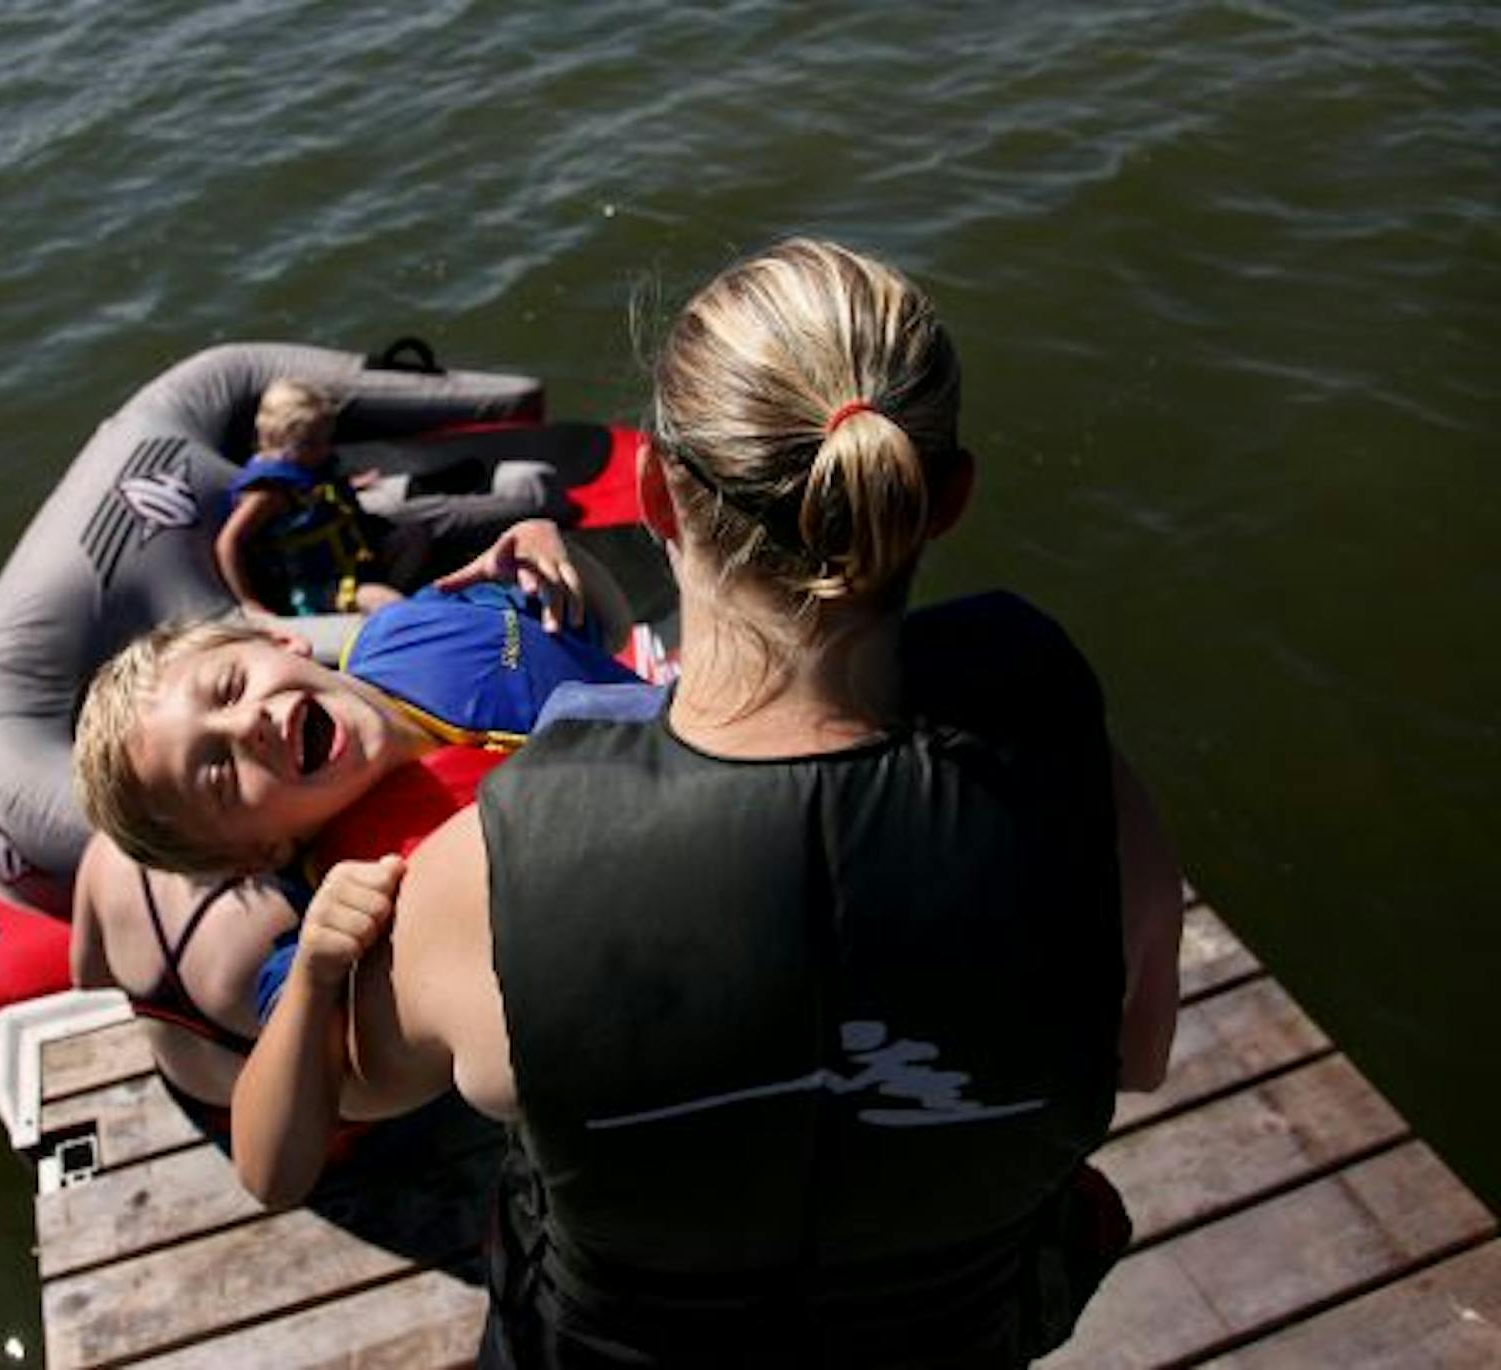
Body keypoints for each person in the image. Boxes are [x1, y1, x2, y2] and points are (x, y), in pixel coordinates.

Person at [233, 238, 1185, 1367]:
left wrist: (326, 954)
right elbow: (1132, 1059)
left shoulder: (487, 876)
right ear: (948, 499)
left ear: (652, 496)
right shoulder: (1084, 800)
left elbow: (297, 1133)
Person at [69, 524, 639, 1109]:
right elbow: (304, 1131)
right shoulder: (353, 907)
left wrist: (557, 556)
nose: (247, 727)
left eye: (232, 686)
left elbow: (608, 625)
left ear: (281, 642)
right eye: (218, 774)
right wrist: (316, 977)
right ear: (261, 852)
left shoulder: (415, 629)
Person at [218, 378, 572, 618]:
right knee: (380, 600)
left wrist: (352, 487)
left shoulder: (303, 467)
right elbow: (228, 543)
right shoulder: (267, 493)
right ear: (283, 440)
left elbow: (316, 495)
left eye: (326, 439)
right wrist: (250, 604)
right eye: (314, 443)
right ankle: (414, 620)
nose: (325, 450)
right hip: (315, 588)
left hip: (350, 563)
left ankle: (400, 587)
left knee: (415, 534)